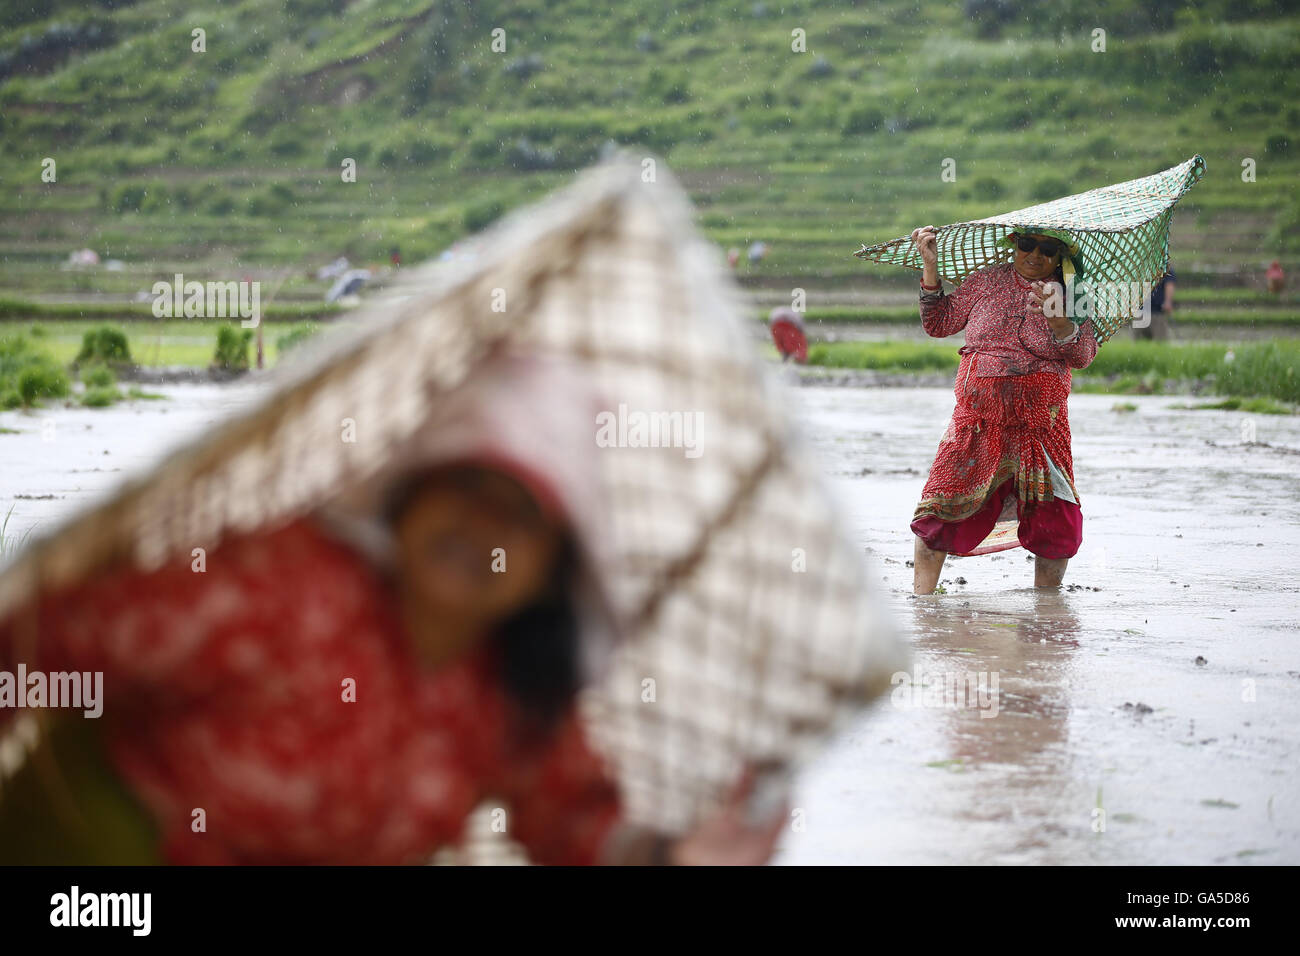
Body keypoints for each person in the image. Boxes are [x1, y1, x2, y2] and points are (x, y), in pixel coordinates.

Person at [0, 356, 786, 865]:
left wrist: (667, 857)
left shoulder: (509, 687)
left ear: (549, 571)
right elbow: (44, 634)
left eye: (518, 517)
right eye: (465, 490)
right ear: (406, 505)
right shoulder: (280, 583)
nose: (480, 529)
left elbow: (571, 820)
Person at [906, 225, 1098, 593]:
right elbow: (938, 323)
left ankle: (1047, 607)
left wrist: (1058, 319)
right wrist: (930, 267)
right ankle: (923, 603)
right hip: (976, 424)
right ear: (1014, 245)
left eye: (1048, 250)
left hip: (1041, 429)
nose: (1036, 255)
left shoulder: (1075, 294)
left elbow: (1083, 356)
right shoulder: (985, 281)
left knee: (1056, 522)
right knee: (938, 513)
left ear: (1060, 258)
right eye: (1028, 244)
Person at [1135, 266, 1175, 340]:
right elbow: (1169, 285)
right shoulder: (1164, 267)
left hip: (1154, 310)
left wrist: (1167, 302)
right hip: (1148, 310)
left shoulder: (1140, 266)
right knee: (1159, 342)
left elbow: (1169, 285)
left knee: (1141, 343)